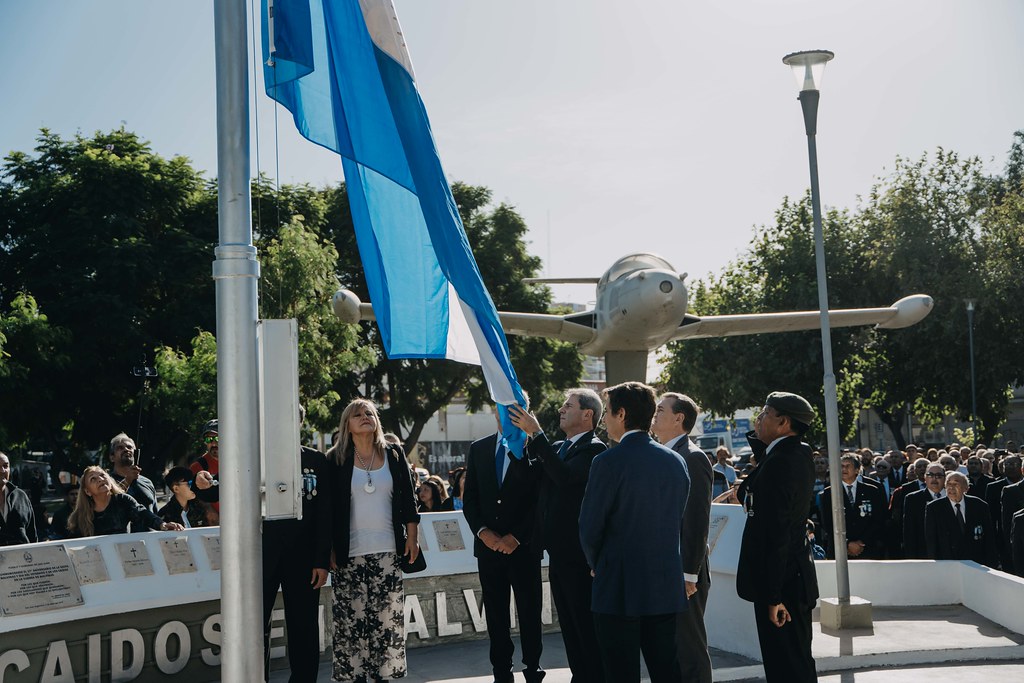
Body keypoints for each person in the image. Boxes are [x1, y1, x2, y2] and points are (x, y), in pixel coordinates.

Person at [579, 381, 690, 683]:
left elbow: (590, 527)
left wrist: (597, 563)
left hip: (618, 585)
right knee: (667, 671)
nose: (604, 420)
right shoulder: (676, 461)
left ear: (622, 414)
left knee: (620, 673)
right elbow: (675, 520)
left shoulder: (607, 462)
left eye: (607, 413)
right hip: (663, 584)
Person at [511, 389, 607, 683]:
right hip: (558, 554)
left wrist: (537, 433)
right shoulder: (557, 447)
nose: (561, 409)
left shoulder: (594, 449)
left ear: (588, 414)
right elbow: (533, 478)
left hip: (580, 556)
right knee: (569, 626)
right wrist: (520, 441)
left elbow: (565, 478)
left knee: (585, 627)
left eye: (569, 405)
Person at [329, 398, 419, 683]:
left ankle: (383, 677)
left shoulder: (394, 454)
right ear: (347, 425)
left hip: (388, 552)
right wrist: (329, 549)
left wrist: (412, 538)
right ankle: (356, 678)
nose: (365, 417)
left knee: (386, 621)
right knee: (351, 623)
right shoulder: (335, 458)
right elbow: (328, 510)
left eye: (369, 412)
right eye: (357, 414)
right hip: (349, 553)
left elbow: (409, 501)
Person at [736, 392, 818, 683]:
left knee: (788, 668)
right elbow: (748, 492)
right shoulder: (792, 453)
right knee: (791, 664)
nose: (758, 419)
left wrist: (774, 597)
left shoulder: (781, 462)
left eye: (765, 414)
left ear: (783, 423)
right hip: (789, 578)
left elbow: (777, 533)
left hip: (783, 585)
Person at [463, 404, 545, 683]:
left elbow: (540, 501)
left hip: (524, 548)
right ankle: (501, 670)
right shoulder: (479, 448)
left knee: (530, 611)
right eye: (502, 408)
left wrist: (517, 536)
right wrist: (482, 532)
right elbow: (470, 498)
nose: (507, 414)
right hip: (488, 549)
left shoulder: (536, 449)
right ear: (495, 412)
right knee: (496, 614)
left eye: (515, 409)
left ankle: (533, 667)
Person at [263, 406, 332, 683]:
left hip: (304, 558)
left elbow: (325, 514)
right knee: (256, 626)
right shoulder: (256, 458)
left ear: (301, 422)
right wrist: (204, 486)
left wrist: (321, 560)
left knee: (304, 627)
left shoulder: (316, 460)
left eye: (293, 417)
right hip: (261, 557)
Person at [650, 392, 712, 683]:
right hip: (663, 568)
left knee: (689, 649)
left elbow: (696, 519)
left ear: (679, 418)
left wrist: (689, 573)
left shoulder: (693, 457)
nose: (654, 414)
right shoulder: (661, 455)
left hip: (684, 572)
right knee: (668, 650)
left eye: (660, 410)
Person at [68, 466, 183, 537]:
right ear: (87, 491)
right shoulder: (80, 516)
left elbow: (143, 513)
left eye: (103, 475)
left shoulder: (123, 500)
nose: (100, 479)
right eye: (93, 479)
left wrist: (163, 525)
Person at [818, 453, 887, 560]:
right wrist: (847, 543)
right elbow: (827, 523)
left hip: (867, 548)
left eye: (848, 466)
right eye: (841, 466)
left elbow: (878, 520)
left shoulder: (872, 491)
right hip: (840, 550)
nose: (844, 469)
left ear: (857, 470)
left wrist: (861, 542)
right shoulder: (829, 493)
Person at [925, 471, 998, 567]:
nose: (951, 488)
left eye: (955, 484)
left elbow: (989, 538)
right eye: (948, 484)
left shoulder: (979, 505)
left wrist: (992, 564)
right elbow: (931, 540)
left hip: (976, 563)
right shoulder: (934, 508)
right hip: (948, 563)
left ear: (966, 488)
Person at [108, 432, 158, 520]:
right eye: (120, 448)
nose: (126, 449)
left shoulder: (147, 482)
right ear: (112, 457)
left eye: (129, 447)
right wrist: (128, 480)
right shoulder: (106, 482)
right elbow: (110, 506)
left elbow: (156, 514)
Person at [902, 462, 947, 559]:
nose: (934, 479)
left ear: (945, 478)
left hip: (950, 555)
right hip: (923, 553)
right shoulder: (913, 499)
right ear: (925, 478)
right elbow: (909, 532)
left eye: (939, 475)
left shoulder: (952, 496)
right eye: (930, 475)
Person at [0, 451, 38, 545]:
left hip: (23, 553)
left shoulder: (20, 496)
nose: (2, 470)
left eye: (5, 466)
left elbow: (32, 535)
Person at [191, 419, 221, 512]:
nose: (214, 443)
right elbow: (191, 495)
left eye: (217, 438)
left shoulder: (240, 463)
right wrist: (209, 509)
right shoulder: (197, 467)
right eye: (209, 439)